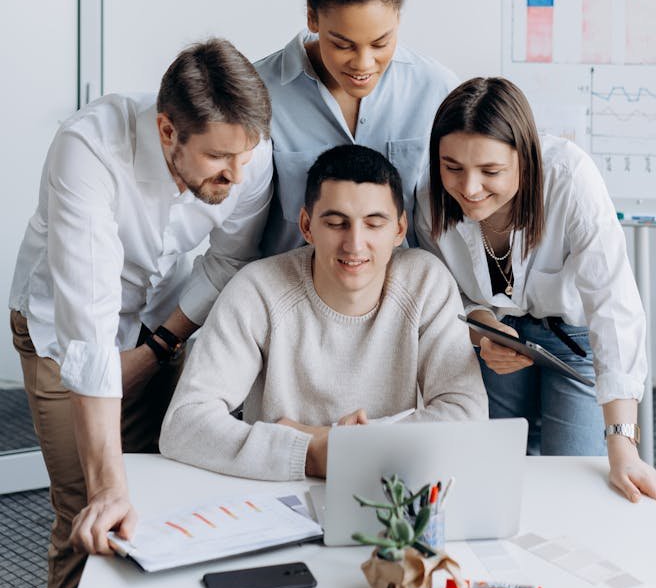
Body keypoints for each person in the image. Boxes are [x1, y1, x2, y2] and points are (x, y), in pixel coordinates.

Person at [9, 38, 273, 588]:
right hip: (60, 332)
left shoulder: (248, 155)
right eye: (217, 159)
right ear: (166, 131)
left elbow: (228, 261)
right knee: (90, 520)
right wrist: (107, 487)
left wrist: (156, 349)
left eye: (245, 156)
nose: (235, 174)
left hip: (162, 319)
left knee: (164, 502)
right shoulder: (89, 151)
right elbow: (89, 329)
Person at [415, 76, 656, 514]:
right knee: (492, 472)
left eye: (490, 172)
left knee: (575, 484)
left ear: (525, 162)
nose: (469, 188)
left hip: (575, 339)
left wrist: (623, 444)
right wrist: (483, 331)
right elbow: (442, 291)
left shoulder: (570, 179)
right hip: (498, 336)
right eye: (452, 167)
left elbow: (613, 308)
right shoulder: (428, 197)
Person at [160, 145, 487, 479]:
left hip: (388, 490)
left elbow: (467, 416)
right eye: (336, 223)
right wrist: (311, 454)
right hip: (273, 497)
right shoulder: (256, 290)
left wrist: (343, 442)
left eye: (374, 224)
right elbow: (183, 425)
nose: (355, 244)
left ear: (399, 230)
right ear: (306, 225)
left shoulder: (426, 283)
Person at [255, 0, 457, 255]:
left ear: (399, 19)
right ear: (312, 17)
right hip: (289, 294)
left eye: (380, 43)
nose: (363, 64)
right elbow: (237, 238)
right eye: (343, 44)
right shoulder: (260, 92)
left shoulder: (436, 90)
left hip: (405, 293)